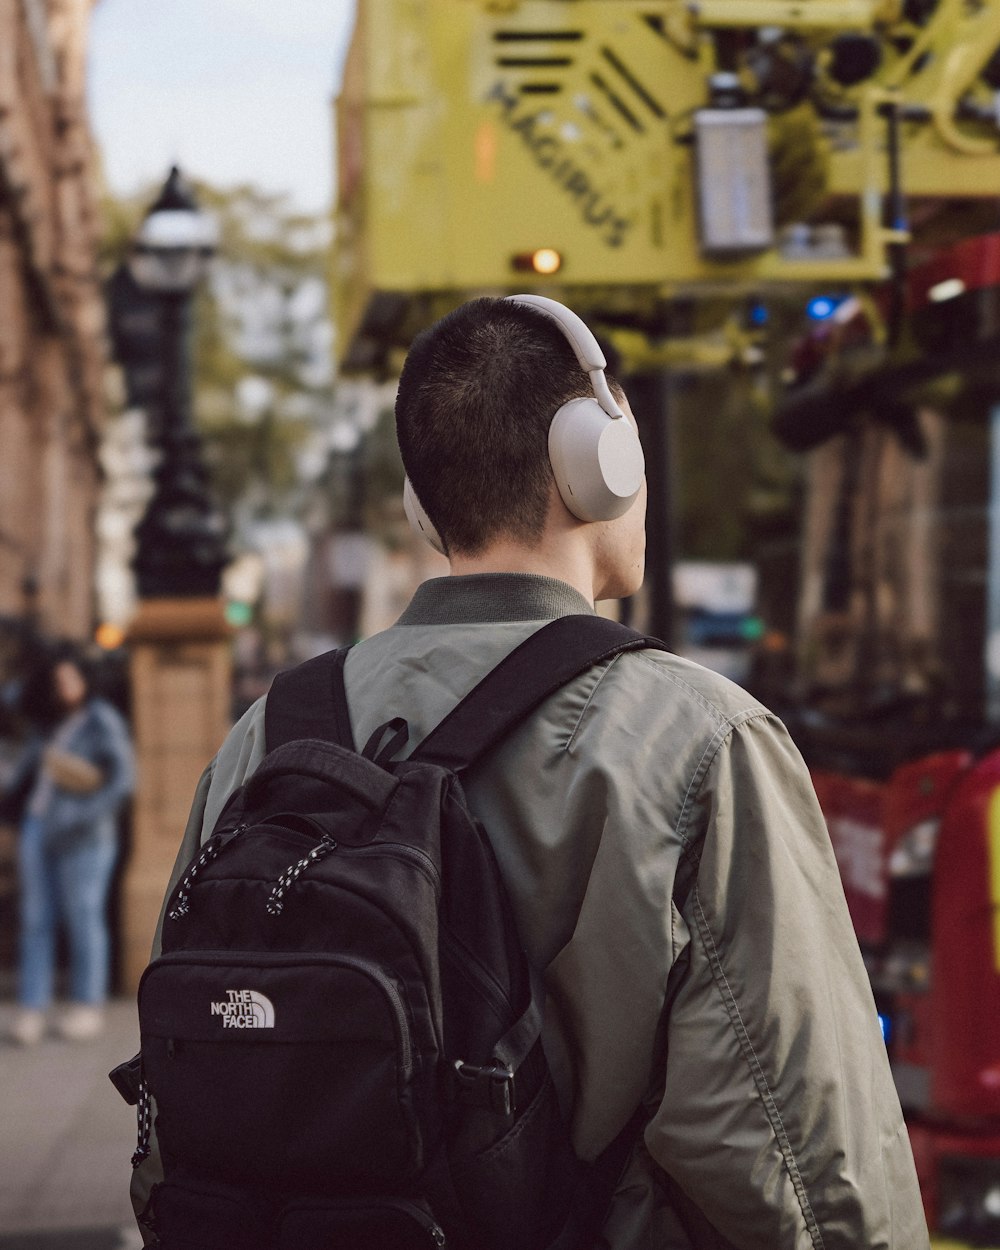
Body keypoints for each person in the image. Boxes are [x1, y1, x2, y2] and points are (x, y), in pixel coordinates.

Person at [135, 297, 928, 1248]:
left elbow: (175, 1116)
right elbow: (797, 1160)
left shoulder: (263, 737)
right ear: (602, 462)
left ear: (423, 508)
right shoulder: (705, 738)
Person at [3, 650, 133, 1044]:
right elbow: (12, 700)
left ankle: (86, 1003)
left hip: (85, 838)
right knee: (35, 918)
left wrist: (82, 816)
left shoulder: (101, 720)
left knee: (83, 916)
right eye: (56, 681)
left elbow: (122, 779)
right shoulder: (49, 725)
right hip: (38, 828)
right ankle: (32, 1006)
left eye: (69, 679)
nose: (63, 688)